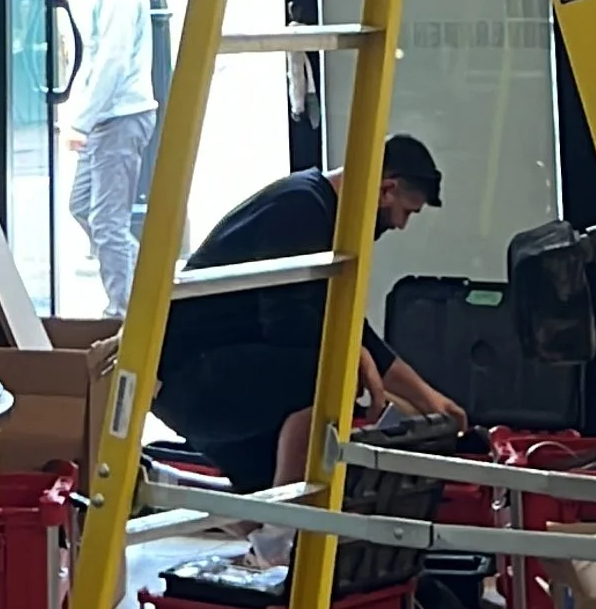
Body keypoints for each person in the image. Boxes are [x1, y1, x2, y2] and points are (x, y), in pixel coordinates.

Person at [155, 133, 454, 494]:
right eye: (405, 212)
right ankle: (284, 534)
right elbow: (286, 321)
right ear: (386, 190)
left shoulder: (321, 213)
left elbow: (354, 330)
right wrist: (358, 366)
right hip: (190, 376)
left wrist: (429, 400)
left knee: (263, 494)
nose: (400, 226)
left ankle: (244, 524)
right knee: (331, 377)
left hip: (214, 369)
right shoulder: (301, 209)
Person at [62, 0, 156, 314]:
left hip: (120, 116)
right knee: (83, 207)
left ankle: (125, 311)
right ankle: (139, 288)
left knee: (107, 221)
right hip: (107, 116)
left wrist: (80, 120)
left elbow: (112, 60)